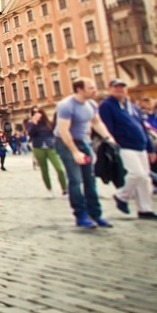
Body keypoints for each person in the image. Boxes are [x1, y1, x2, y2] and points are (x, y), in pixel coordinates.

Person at [98, 80, 157, 221]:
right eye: (116, 87)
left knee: (145, 179)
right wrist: (112, 142)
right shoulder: (106, 105)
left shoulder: (133, 107)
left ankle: (145, 209)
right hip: (124, 145)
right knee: (137, 174)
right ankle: (121, 196)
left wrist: (151, 148)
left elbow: (142, 127)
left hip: (140, 145)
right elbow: (107, 126)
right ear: (110, 89)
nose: (119, 90)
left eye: (122, 87)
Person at [55, 79, 117, 228]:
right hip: (65, 142)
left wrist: (108, 138)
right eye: (91, 88)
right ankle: (80, 214)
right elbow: (64, 131)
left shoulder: (91, 104)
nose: (95, 90)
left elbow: (96, 122)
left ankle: (95, 214)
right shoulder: (66, 105)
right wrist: (75, 152)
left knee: (90, 179)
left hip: (83, 141)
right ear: (80, 90)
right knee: (76, 180)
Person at [26, 108, 66, 198]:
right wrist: (34, 123)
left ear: (42, 113)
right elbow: (31, 134)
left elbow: (55, 132)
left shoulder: (48, 123)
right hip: (38, 148)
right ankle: (49, 190)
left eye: (38, 112)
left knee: (60, 169)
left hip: (50, 147)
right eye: (34, 113)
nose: (37, 114)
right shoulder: (30, 123)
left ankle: (65, 190)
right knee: (44, 170)